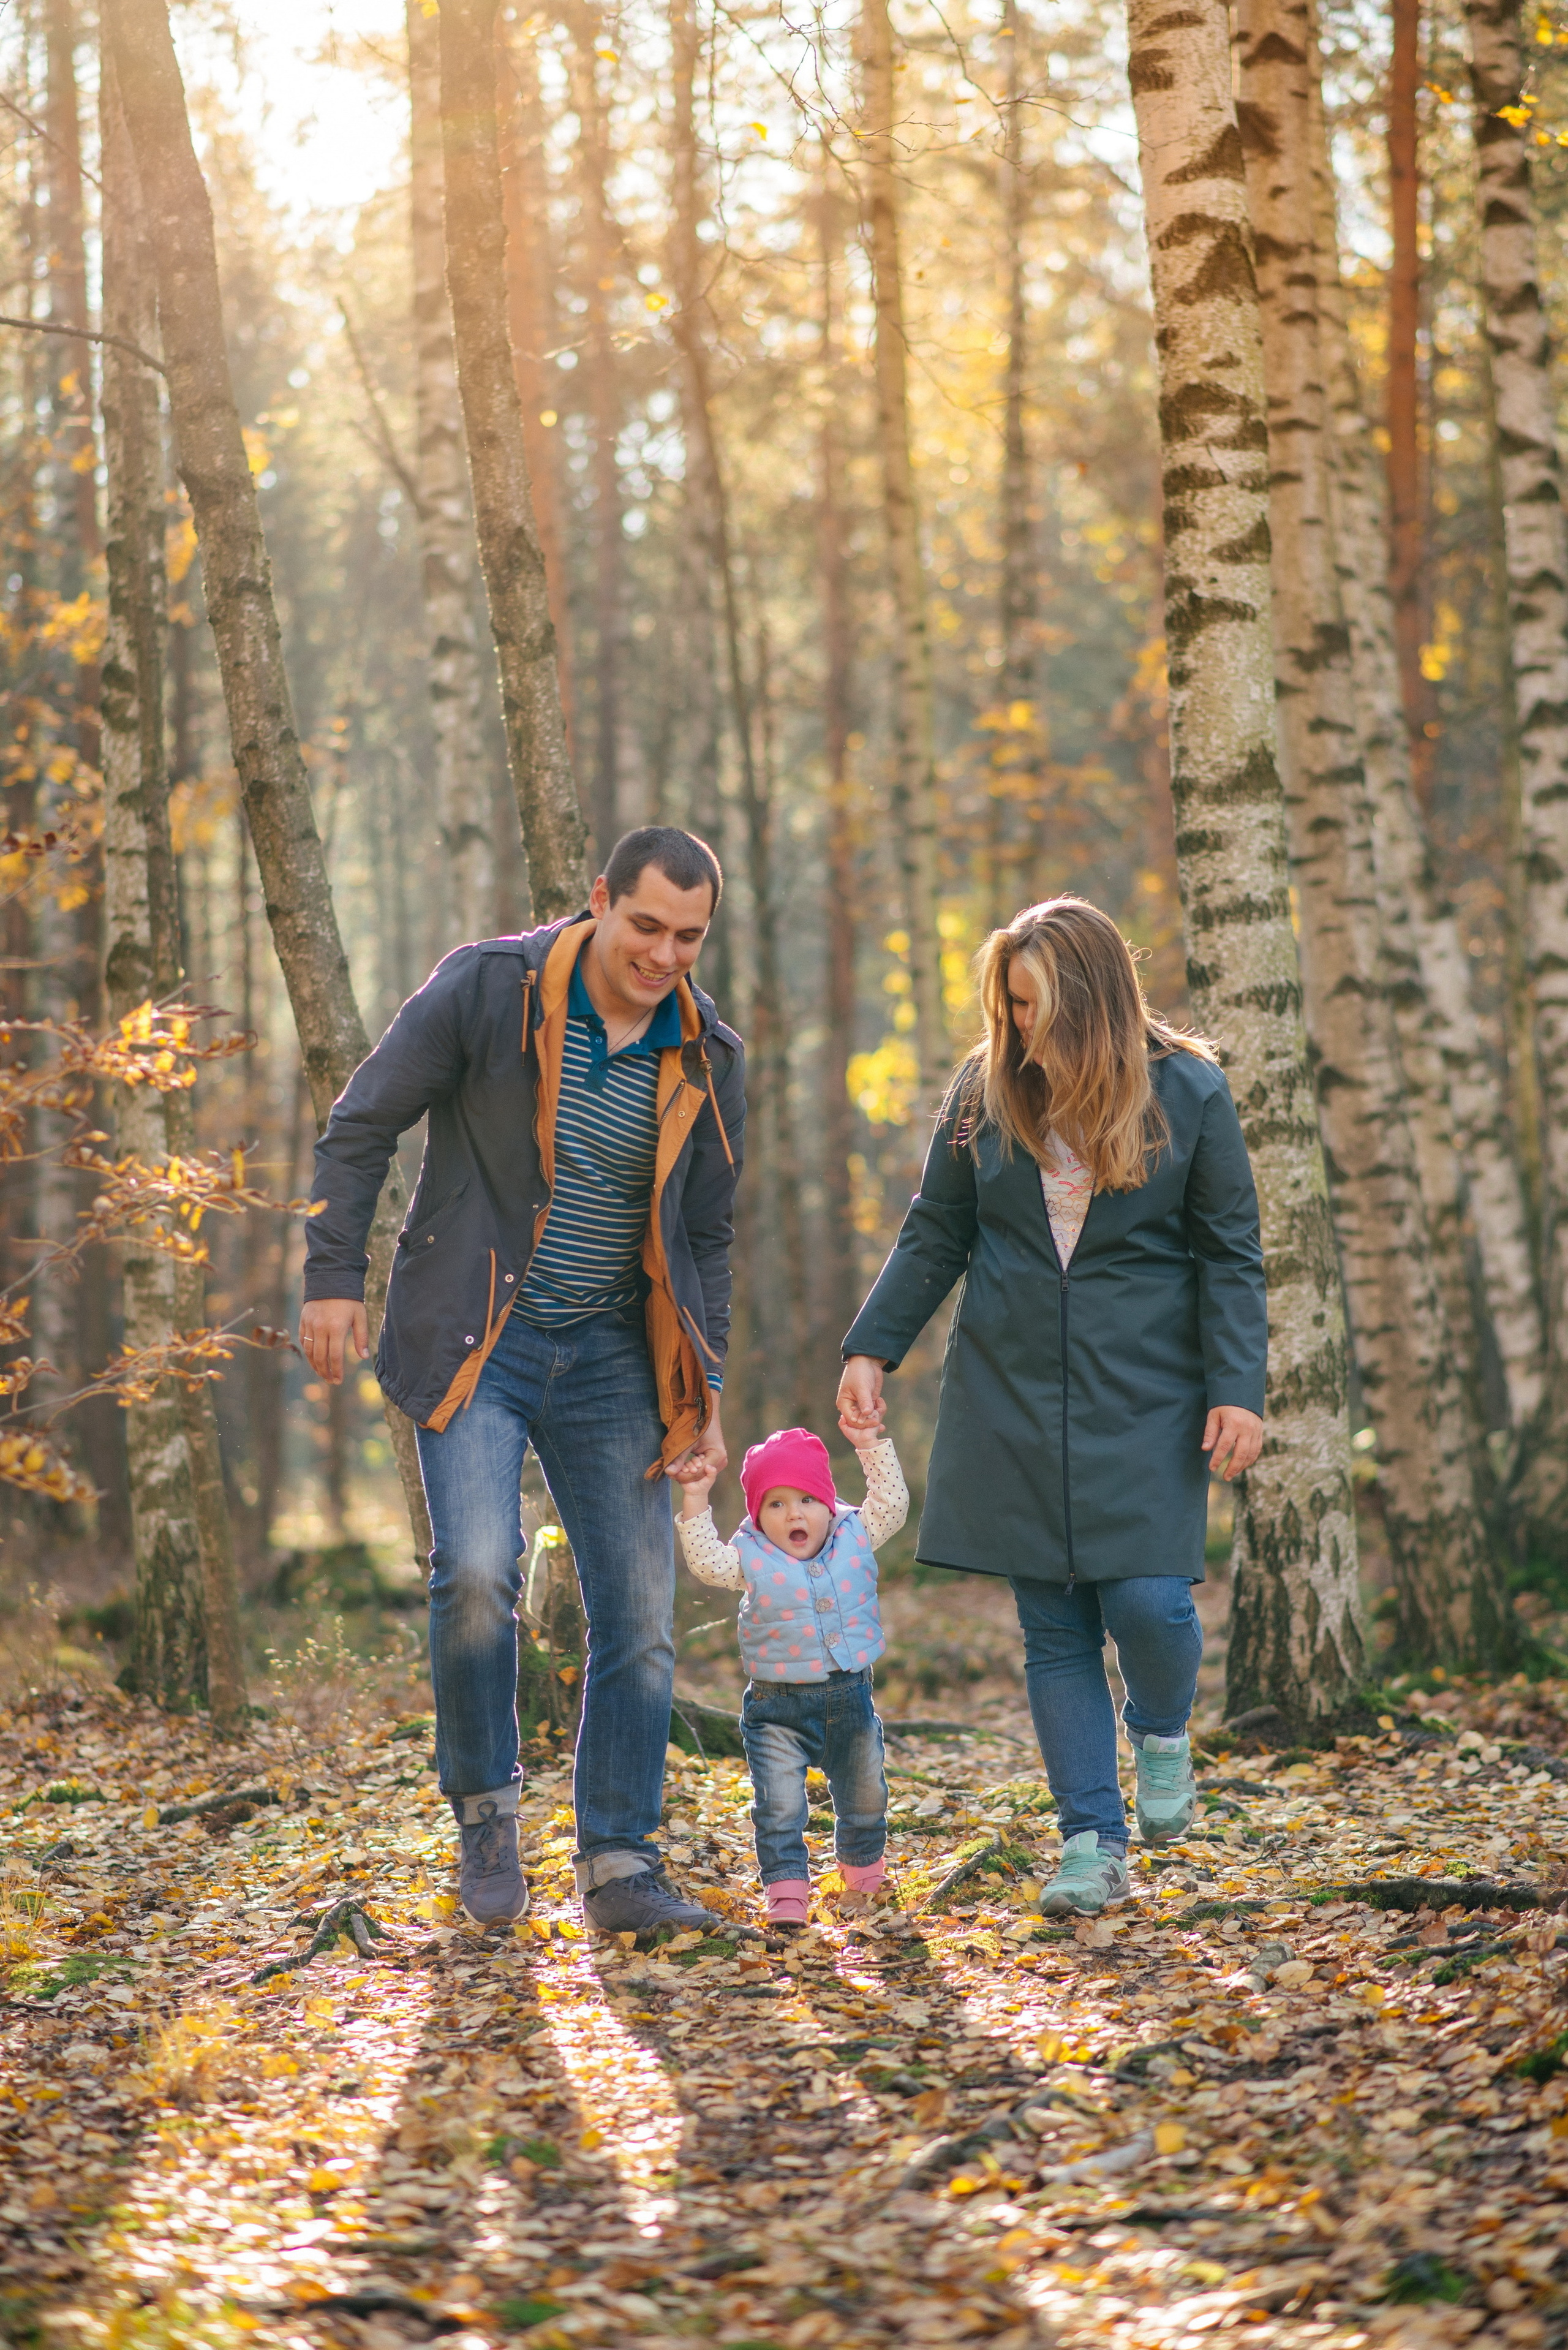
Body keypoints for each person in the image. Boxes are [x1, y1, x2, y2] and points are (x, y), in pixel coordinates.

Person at [299, 826, 744, 1944]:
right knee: (477, 1573)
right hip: (475, 1336)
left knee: (640, 1615)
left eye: (688, 936)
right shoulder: (489, 988)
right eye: (645, 925)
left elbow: (709, 1234)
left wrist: (705, 1386)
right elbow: (361, 1126)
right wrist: (332, 1279)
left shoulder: (707, 1051)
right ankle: (487, 1812)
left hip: (612, 1357)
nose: (663, 954)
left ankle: (621, 1862)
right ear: (600, 901)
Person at [837, 897, 1266, 1919]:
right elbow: (934, 1234)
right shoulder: (982, 1094)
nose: (1019, 1027)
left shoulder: (1189, 1091)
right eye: (1009, 1006)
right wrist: (870, 1347)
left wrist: (1238, 1390)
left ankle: (1161, 1731)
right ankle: (1091, 1843)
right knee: (1054, 1626)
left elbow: (1232, 1254)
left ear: (1092, 1000)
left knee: (1148, 1601)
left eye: (1034, 1006)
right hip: (1010, 1392)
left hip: (1148, 1392)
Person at [673, 1424, 908, 1926]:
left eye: (806, 1498)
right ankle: (786, 1893)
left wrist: (871, 1445)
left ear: (829, 1504)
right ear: (759, 1516)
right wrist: (695, 1497)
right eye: (776, 1504)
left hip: (851, 1698)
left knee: (866, 1798)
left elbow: (892, 1503)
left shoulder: (855, 1534)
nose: (794, 1513)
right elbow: (706, 1564)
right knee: (778, 1809)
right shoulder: (750, 1556)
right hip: (775, 1708)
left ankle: (864, 1878)